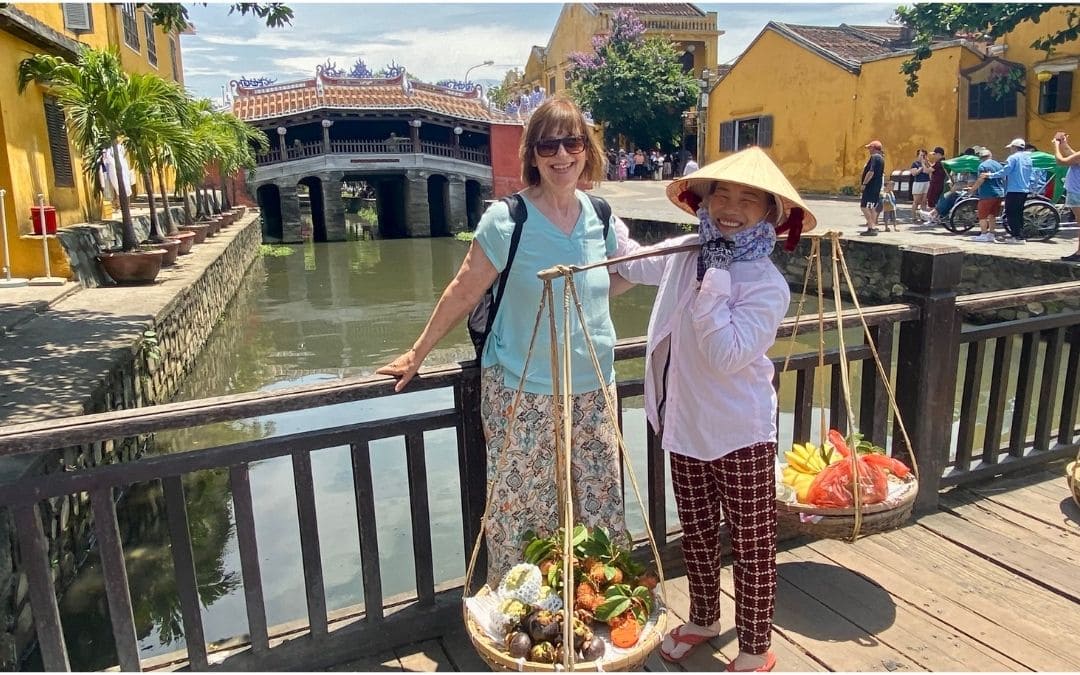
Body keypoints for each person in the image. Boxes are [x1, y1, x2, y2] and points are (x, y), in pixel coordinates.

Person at [376, 96, 626, 583]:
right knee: (521, 511)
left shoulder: (600, 215)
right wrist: (417, 351)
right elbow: (464, 290)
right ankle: (521, 613)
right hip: (521, 389)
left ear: (586, 150)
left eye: (572, 142)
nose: (561, 155)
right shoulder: (508, 220)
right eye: (548, 144)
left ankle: (599, 606)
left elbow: (613, 278)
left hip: (595, 387)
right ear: (532, 154)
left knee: (602, 503)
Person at [612, 147, 816, 673]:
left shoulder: (766, 284)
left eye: (748, 199)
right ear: (702, 200)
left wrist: (716, 277)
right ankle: (703, 618)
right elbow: (634, 261)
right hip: (684, 422)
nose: (730, 206)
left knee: (751, 545)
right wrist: (594, 212)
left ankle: (754, 648)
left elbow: (727, 352)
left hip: (740, 429)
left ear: (770, 212)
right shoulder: (686, 250)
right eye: (721, 193)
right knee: (698, 535)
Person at [982, 138, 1034, 244]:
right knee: (1018, 213)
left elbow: (1006, 171)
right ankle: (1020, 235)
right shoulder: (1028, 158)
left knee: (1010, 213)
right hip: (1024, 189)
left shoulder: (1013, 157)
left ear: (1014, 147)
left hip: (1014, 189)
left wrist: (990, 175)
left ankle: (1016, 236)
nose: (1011, 150)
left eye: (1011, 148)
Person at [1052, 131, 1080, 262]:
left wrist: (1056, 146)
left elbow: (1061, 161)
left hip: (1077, 192)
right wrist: (1064, 143)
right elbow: (1073, 155)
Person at [967, 147, 1005, 243]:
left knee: (982, 215)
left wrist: (972, 190)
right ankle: (991, 234)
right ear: (990, 156)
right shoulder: (999, 165)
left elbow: (981, 180)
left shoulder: (982, 166)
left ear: (980, 158)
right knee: (993, 215)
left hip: (987, 194)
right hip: (999, 193)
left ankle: (984, 234)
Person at [859, 140, 885, 235]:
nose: (869, 150)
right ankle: (872, 226)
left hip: (871, 187)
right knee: (872, 208)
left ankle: (871, 227)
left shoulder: (874, 157)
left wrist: (864, 184)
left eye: (870, 148)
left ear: (874, 148)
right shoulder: (881, 158)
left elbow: (871, 172)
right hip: (876, 187)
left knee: (864, 206)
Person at [910, 149, 931, 223]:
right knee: (916, 201)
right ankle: (913, 217)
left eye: (924, 155)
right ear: (918, 156)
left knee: (924, 201)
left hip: (926, 182)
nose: (922, 157)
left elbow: (930, 170)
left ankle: (923, 217)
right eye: (921, 155)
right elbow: (914, 173)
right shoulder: (915, 164)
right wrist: (922, 166)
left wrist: (927, 163)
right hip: (918, 183)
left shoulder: (927, 163)